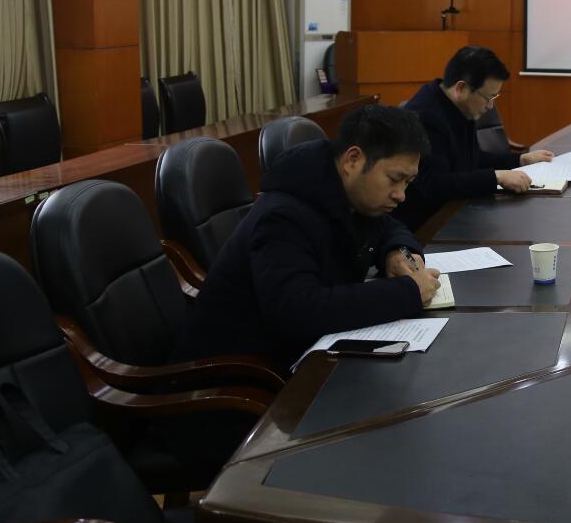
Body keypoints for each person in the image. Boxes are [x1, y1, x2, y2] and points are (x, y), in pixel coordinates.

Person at [174, 104, 442, 369]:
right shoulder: (282, 216)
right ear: (352, 160)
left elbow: (388, 227)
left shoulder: (350, 194)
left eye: (408, 182)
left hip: (300, 354)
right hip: (232, 375)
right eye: (394, 179)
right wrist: (408, 292)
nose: (401, 195)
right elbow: (298, 311)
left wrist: (397, 251)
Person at [395, 46, 554, 231]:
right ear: (461, 88)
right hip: (428, 225)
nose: (490, 106)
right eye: (488, 97)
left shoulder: (458, 106)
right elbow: (436, 185)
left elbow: (473, 158)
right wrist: (495, 177)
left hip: (457, 211)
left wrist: (520, 160)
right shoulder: (425, 116)